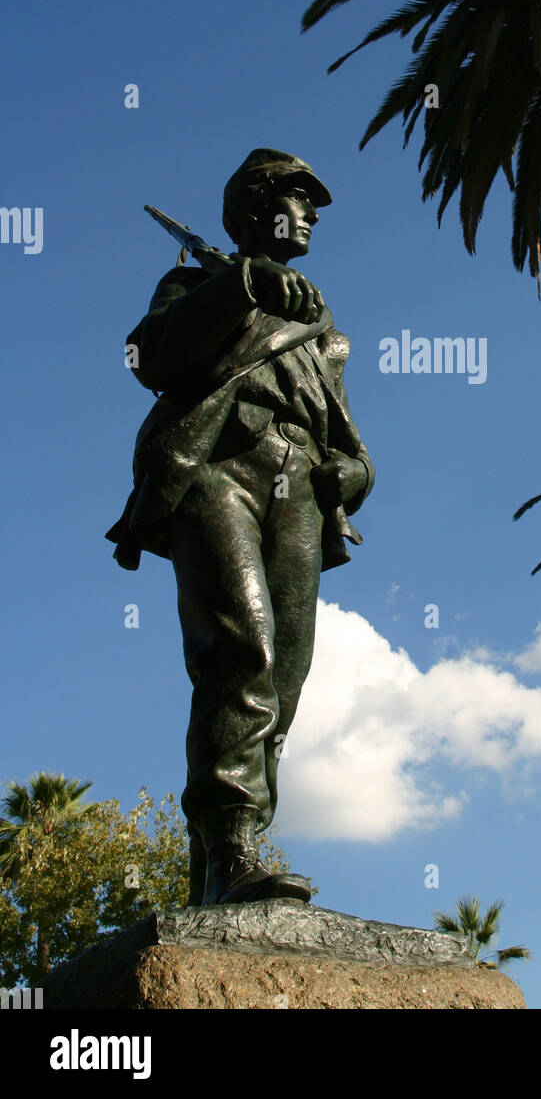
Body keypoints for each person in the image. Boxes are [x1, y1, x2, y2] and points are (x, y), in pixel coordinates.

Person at [107, 148, 375, 907]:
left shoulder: (321, 327)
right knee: (241, 651)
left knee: (285, 679)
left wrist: (356, 475)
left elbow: (349, 441)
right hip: (219, 469)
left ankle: (226, 860)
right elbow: (149, 356)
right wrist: (241, 285)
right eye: (299, 199)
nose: (314, 215)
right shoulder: (198, 285)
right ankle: (230, 845)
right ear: (256, 211)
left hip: (300, 492)